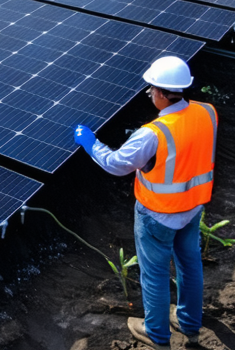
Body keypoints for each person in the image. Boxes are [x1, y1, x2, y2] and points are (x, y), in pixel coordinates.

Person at [74, 57, 215, 348]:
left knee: (155, 275)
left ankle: (156, 333)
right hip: (193, 206)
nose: (149, 93)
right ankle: (189, 321)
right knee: (190, 264)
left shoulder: (154, 133)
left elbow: (116, 164)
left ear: (162, 93)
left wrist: (90, 143)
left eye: (151, 89)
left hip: (158, 214)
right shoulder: (207, 112)